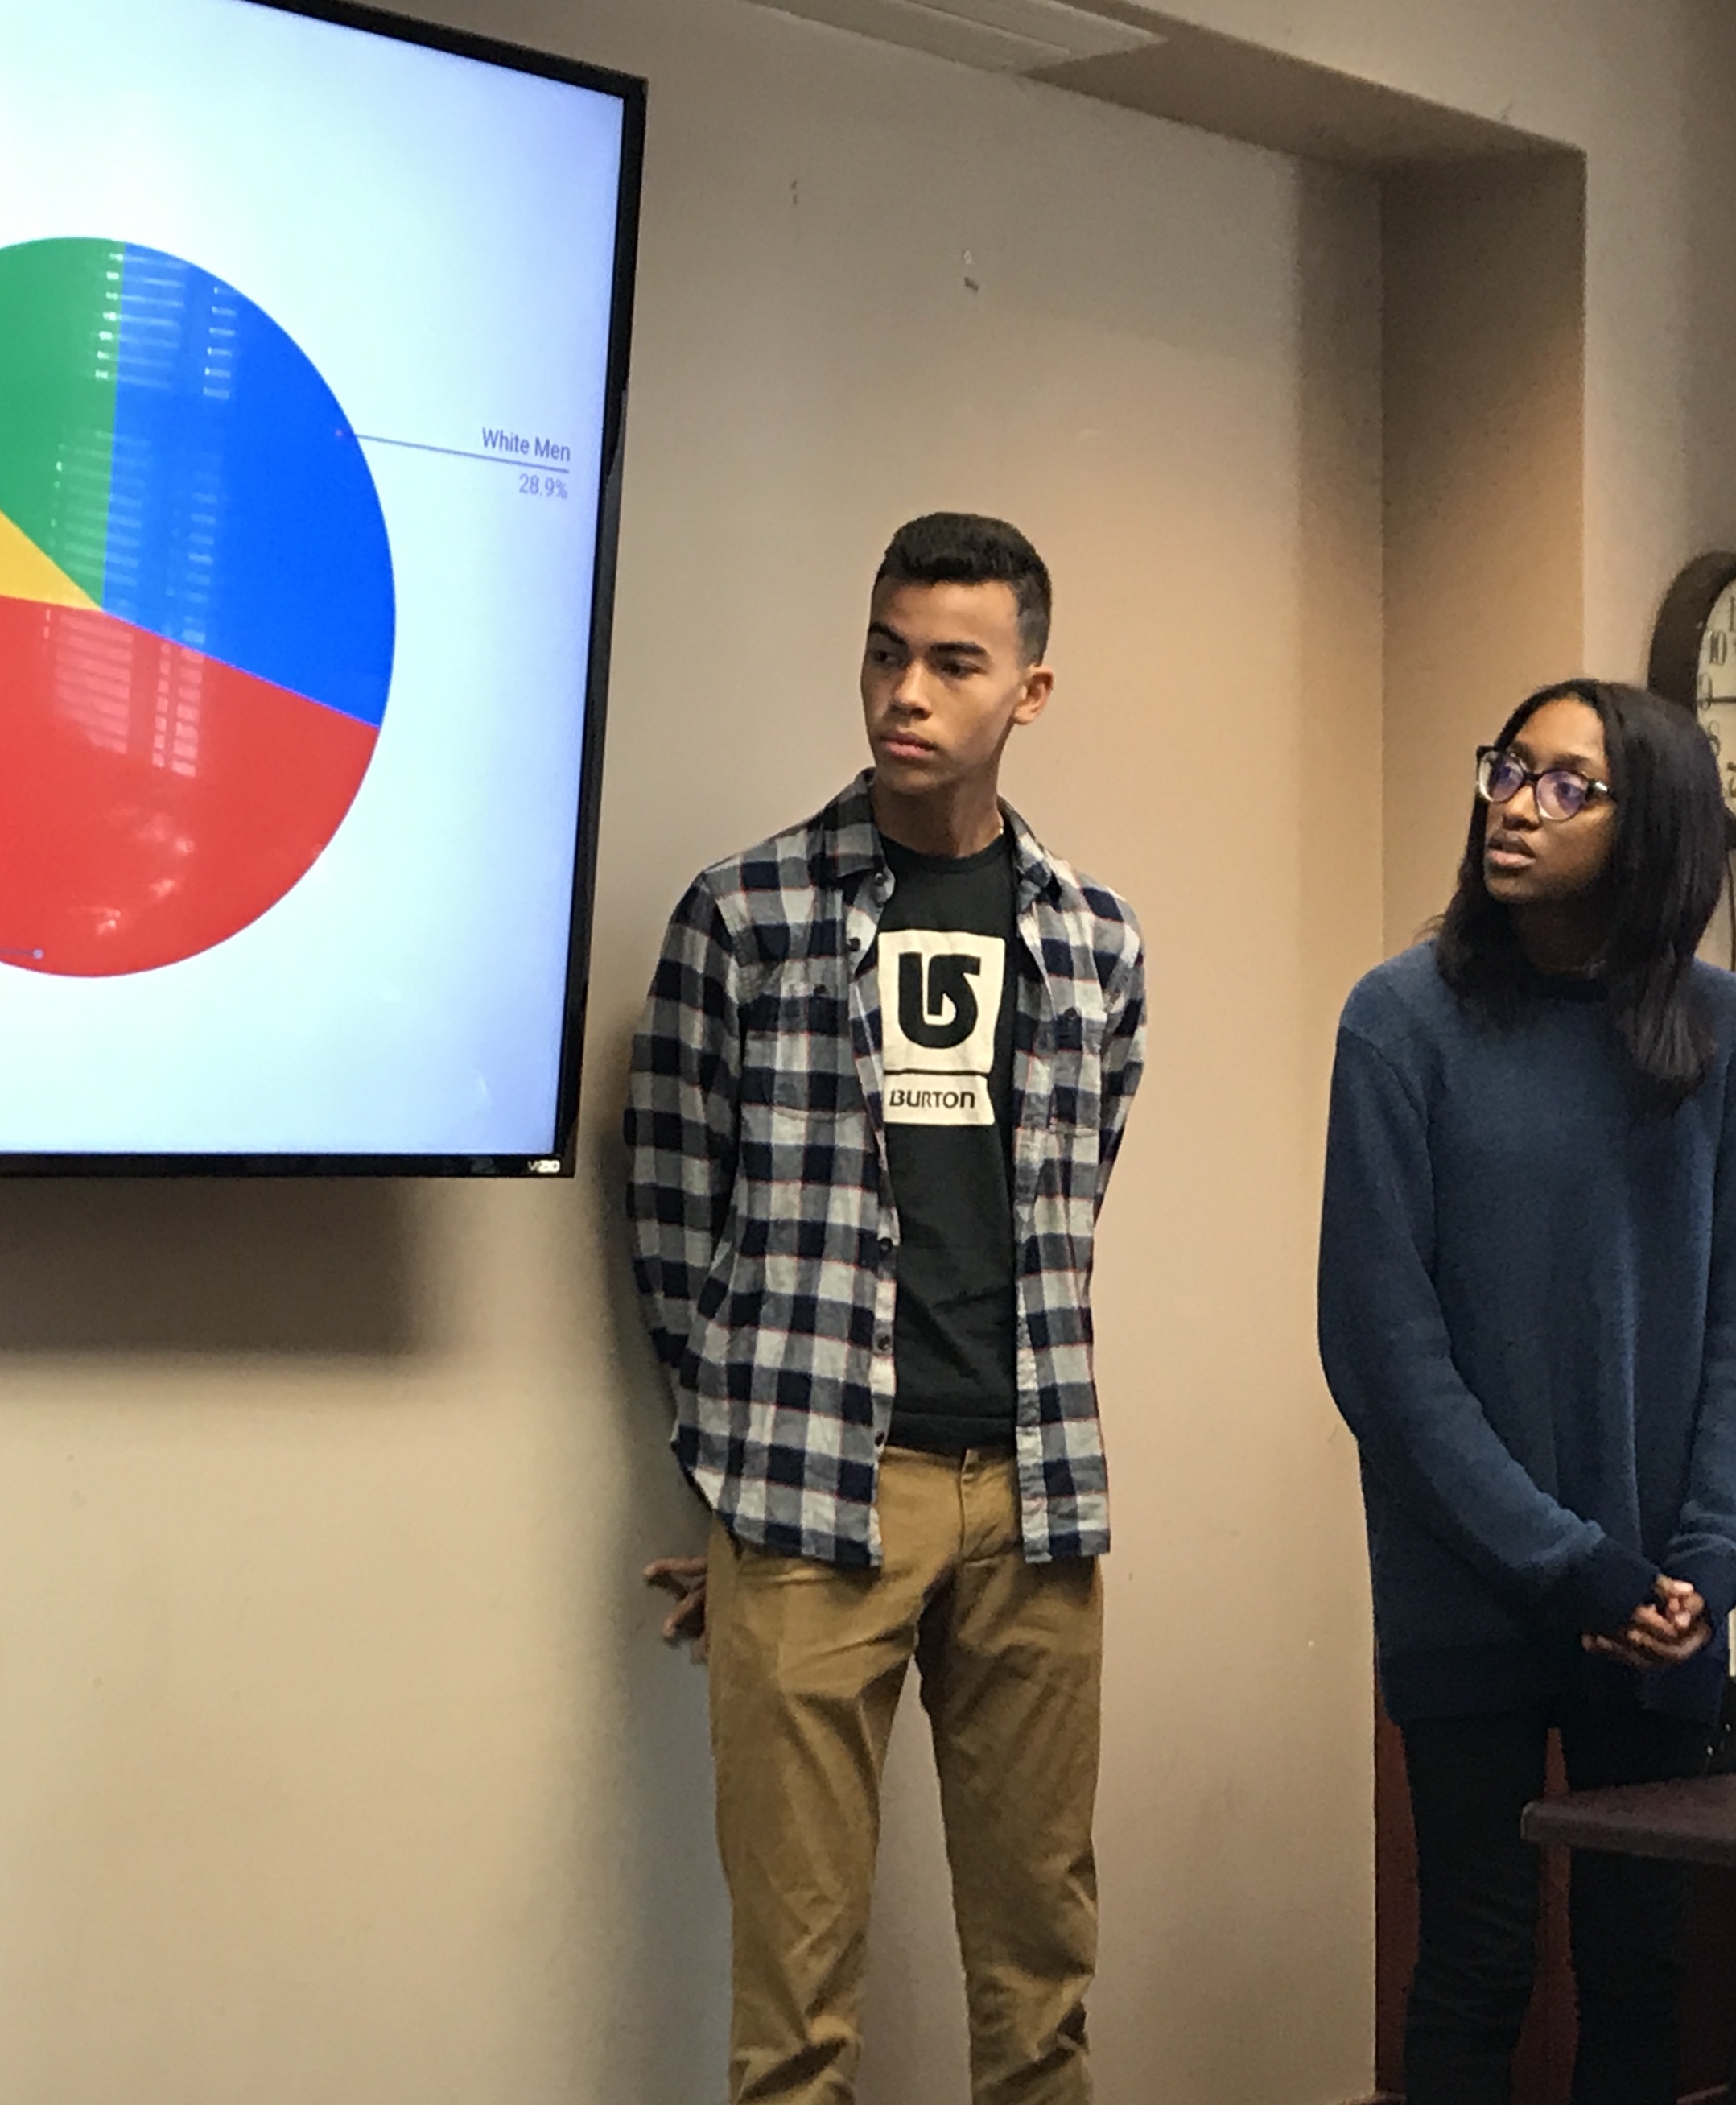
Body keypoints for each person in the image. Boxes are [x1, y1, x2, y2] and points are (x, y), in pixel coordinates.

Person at [625, 512, 1145, 2105]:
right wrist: (733, 1479)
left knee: (1040, 1983)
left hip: (1034, 1498)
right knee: (795, 2010)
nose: (904, 690)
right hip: (807, 1501)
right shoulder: (750, 913)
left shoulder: (1091, 936)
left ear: (1030, 690)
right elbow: (668, 1205)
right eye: (883, 648)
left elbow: (1073, 1193)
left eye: (951, 660)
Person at [1318, 677, 1736, 2105]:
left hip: (1657, 1599)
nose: (1514, 807)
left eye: (1565, 785)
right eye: (1505, 771)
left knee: (1642, 1970)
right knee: (1474, 1960)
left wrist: (1707, 1562)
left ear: (1649, 829)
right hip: (1473, 1581)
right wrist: (1563, 1561)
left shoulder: (1724, 1032)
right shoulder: (1399, 1021)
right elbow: (1381, 1352)